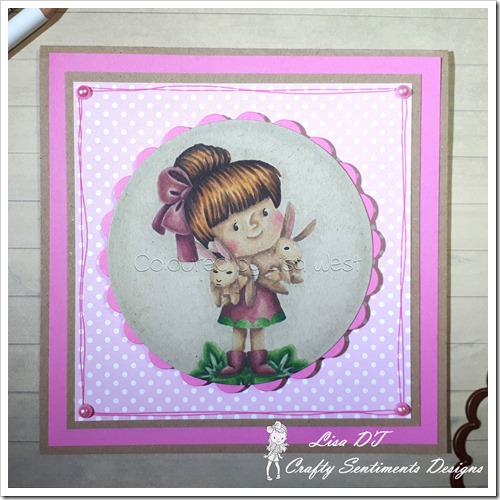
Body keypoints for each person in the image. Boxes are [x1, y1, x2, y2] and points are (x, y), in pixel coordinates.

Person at [152, 144, 287, 376]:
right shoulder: (227, 265)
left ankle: (258, 362)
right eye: (235, 226)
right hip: (238, 297)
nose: (255, 226)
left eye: (264, 212)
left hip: (262, 297)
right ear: (213, 241)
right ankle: (235, 362)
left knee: (258, 330)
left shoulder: (271, 254)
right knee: (238, 330)